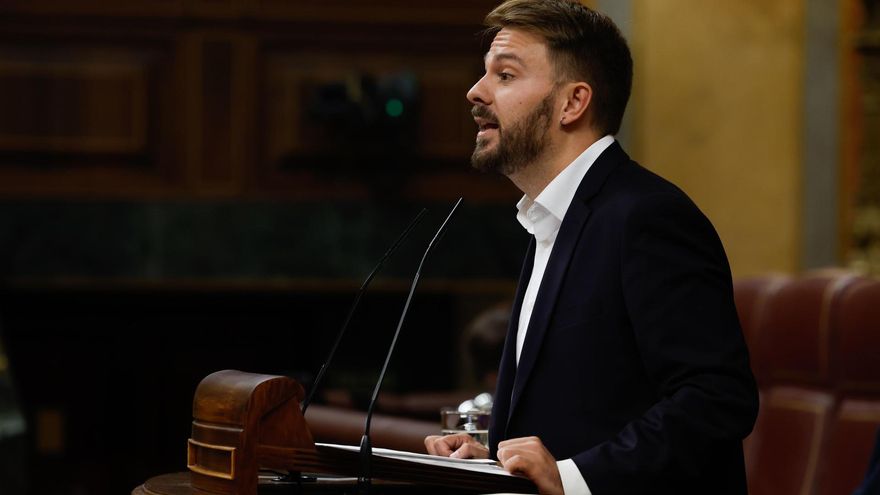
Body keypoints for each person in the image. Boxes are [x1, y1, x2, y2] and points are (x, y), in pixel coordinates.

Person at [423, 1, 759, 494]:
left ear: (572, 103)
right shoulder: (555, 218)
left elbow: (716, 399)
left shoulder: (646, 216)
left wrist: (574, 478)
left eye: (506, 74)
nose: (476, 91)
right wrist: (494, 458)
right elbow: (586, 406)